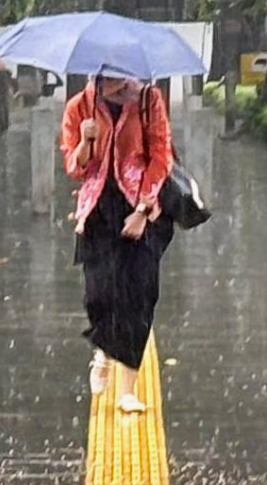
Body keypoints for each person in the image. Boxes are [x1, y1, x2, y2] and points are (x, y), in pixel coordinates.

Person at [60, 73, 174, 414]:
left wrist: (142, 210)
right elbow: (74, 168)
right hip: (98, 211)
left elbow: (161, 156)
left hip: (142, 207)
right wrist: (85, 141)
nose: (117, 80)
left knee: (140, 296)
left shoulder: (148, 101)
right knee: (100, 293)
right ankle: (103, 350)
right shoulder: (81, 105)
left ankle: (127, 389)